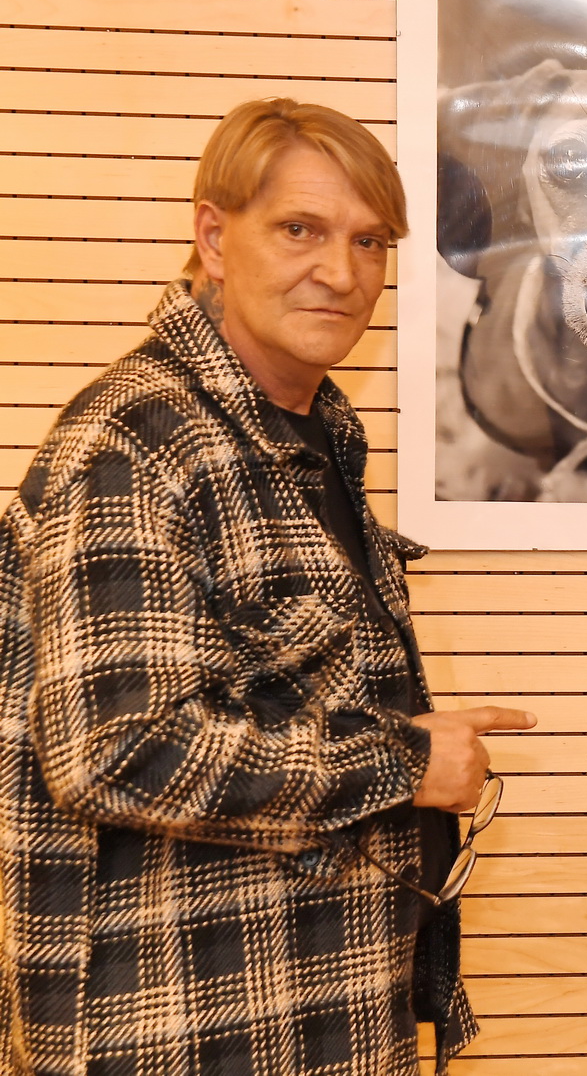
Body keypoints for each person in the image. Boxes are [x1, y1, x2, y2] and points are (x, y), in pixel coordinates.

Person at [0, 99, 536, 1074]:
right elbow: (115, 752)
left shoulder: (311, 433)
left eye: (368, 241)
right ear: (213, 238)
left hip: (317, 1017)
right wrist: (403, 764)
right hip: (186, 1037)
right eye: (300, 229)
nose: (341, 273)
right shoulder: (135, 446)